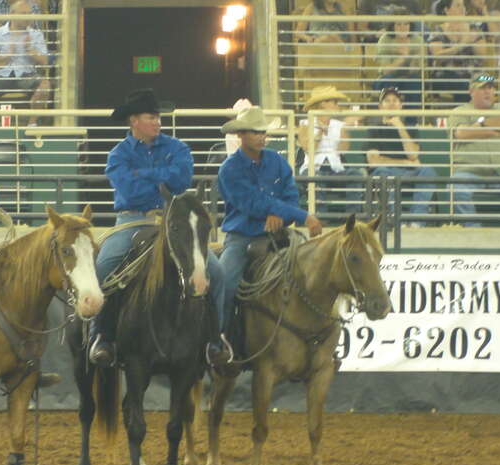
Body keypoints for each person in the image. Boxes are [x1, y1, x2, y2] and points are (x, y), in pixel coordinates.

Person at [88, 88, 231, 368]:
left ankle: (216, 338)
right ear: (134, 121)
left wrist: (143, 174)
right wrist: (159, 179)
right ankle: (101, 335)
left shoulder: (177, 148)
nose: (157, 122)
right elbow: (129, 190)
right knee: (105, 266)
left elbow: (180, 181)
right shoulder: (118, 154)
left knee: (217, 272)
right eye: (150, 117)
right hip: (132, 220)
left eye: (158, 118)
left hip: (172, 220)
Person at [218, 107, 323, 335]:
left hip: (278, 232)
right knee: (225, 283)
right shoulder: (230, 169)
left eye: (263, 132)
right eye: (255, 132)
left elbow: (292, 195)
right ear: (241, 135)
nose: (261, 137)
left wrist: (280, 216)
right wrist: (302, 216)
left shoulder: (277, 161)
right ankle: (217, 338)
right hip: (241, 237)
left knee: (311, 274)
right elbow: (253, 203)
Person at [366, 87, 437, 226]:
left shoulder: (410, 128)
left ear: (401, 105)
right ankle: (395, 222)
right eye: (387, 101)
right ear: (380, 107)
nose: (392, 103)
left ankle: (417, 221)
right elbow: (373, 161)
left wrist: (400, 127)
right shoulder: (374, 129)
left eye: (395, 100)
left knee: (428, 171)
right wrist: (405, 162)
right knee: (383, 173)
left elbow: (413, 154)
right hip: (387, 172)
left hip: (409, 173)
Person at [0, 0, 50, 126]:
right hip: (0, 75)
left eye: (29, 13)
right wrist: (8, 56)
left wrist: (30, 50)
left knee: (45, 86)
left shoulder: (36, 35)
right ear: (12, 14)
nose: (27, 17)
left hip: (27, 75)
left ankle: (32, 124)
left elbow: (45, 62)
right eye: (23, 13)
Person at [448, 72, 500, 226]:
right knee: (455, 187)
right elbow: (461, 133)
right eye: (482, 88)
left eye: (490, 87)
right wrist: (490, 126)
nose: (488, 91)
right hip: (469, 172)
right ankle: (474, 231)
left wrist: (479, 129)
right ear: (471, 92)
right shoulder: (460, 111)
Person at [296, 85, 366, 213]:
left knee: (356, 175)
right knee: (315, 178)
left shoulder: (339, 125)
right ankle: (321, 218)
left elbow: (343, 150)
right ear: (323, 104)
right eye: (334, 102)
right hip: (313, 167)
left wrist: (345, 129)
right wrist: (320, 132)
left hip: (336, 168)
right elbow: (307, 148)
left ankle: (353, 216)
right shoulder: (305, 124)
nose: (337, 105)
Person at [429, 0, 488, 104]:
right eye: (457, 5)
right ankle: (465, 116)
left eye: (463, 5)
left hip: (474, 74)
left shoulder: (473, 28)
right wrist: (461, 45)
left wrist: (473, 40)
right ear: (447, 10)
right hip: (446, 75)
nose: (462, 8)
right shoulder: (438, 31)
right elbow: (438, 55)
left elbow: (483, 55)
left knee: (487, 80)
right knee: (464, 84)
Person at [372, 8, 423, 118]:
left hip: (410, 77)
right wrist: (403, 58)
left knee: (414, 82)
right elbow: (386, 71)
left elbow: (417, 69)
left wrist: (412, 60)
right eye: (398, 24)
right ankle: (388, 121)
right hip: (388, 77)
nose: (403, 28)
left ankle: (411, 123)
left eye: (406, 24)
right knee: (389, 81)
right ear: (392, 26)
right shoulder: (385, 40)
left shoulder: (417, 40)